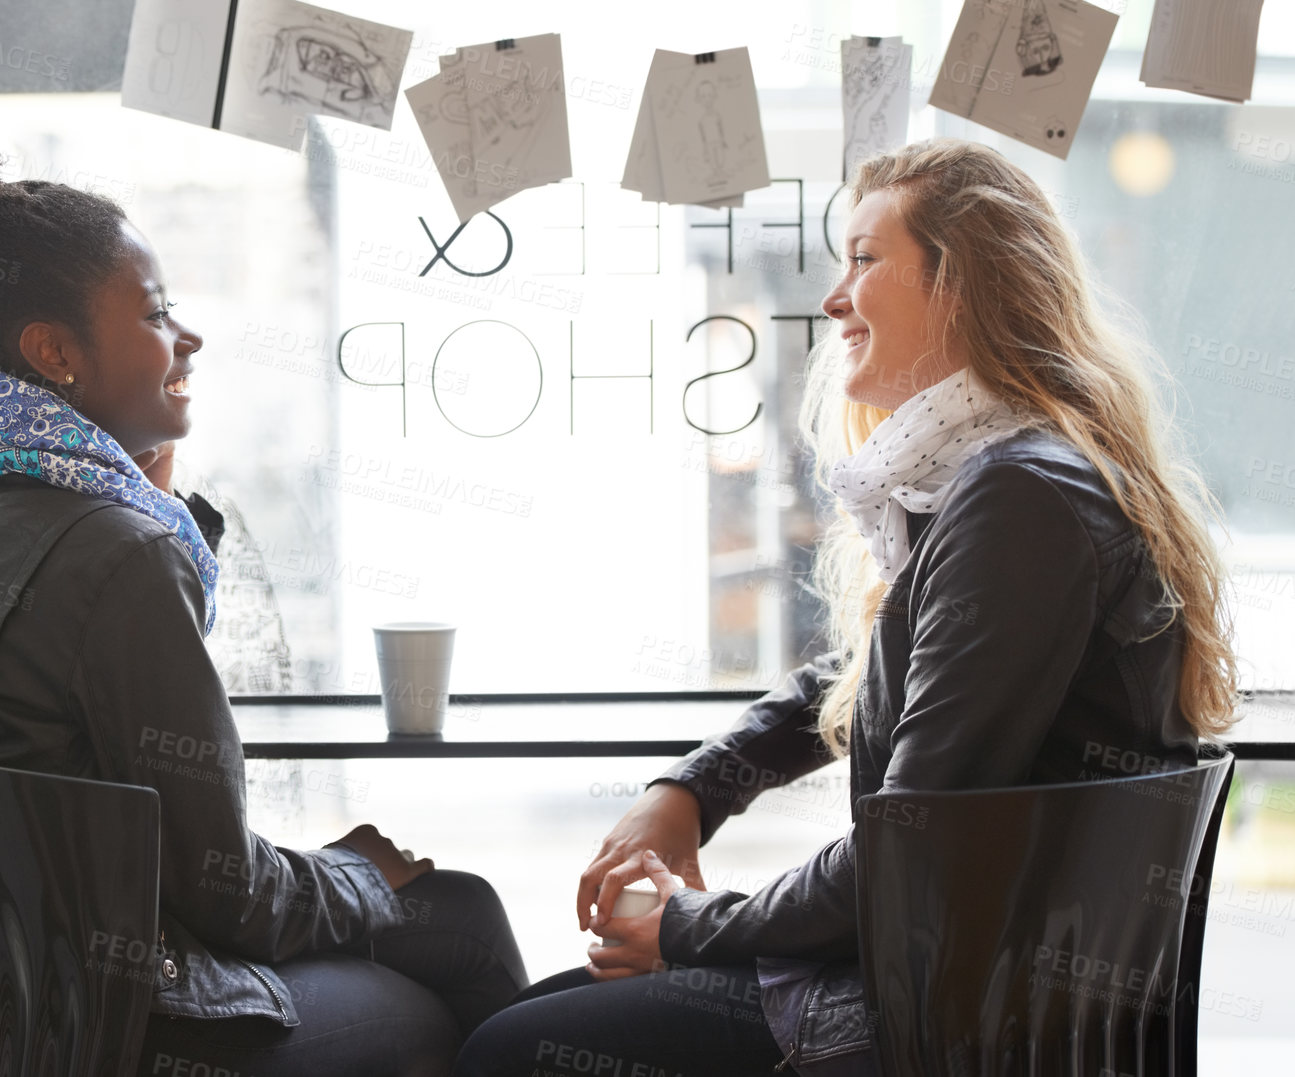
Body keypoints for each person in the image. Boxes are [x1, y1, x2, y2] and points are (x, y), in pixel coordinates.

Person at [455, 137, 1238, 1075]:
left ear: (963, 286)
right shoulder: (1024, 478)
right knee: (538, 1013)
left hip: (946, 1019)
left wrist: (692, 923)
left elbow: (907, 843)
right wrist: (697, 787)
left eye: (864, 260)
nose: (832, 298)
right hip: (971, 994)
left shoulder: (1020, 497)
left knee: (512, 1045)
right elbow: (871, 676)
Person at [0, 130, 527, 1074]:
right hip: (133, 1023)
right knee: (459, 917)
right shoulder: (121, 551)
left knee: (448, 910)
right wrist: (355, 873)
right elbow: (232, 897)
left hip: (6, 1003)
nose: (189, 337)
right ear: (54, 351)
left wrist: (155, 507)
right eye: (155, 313)